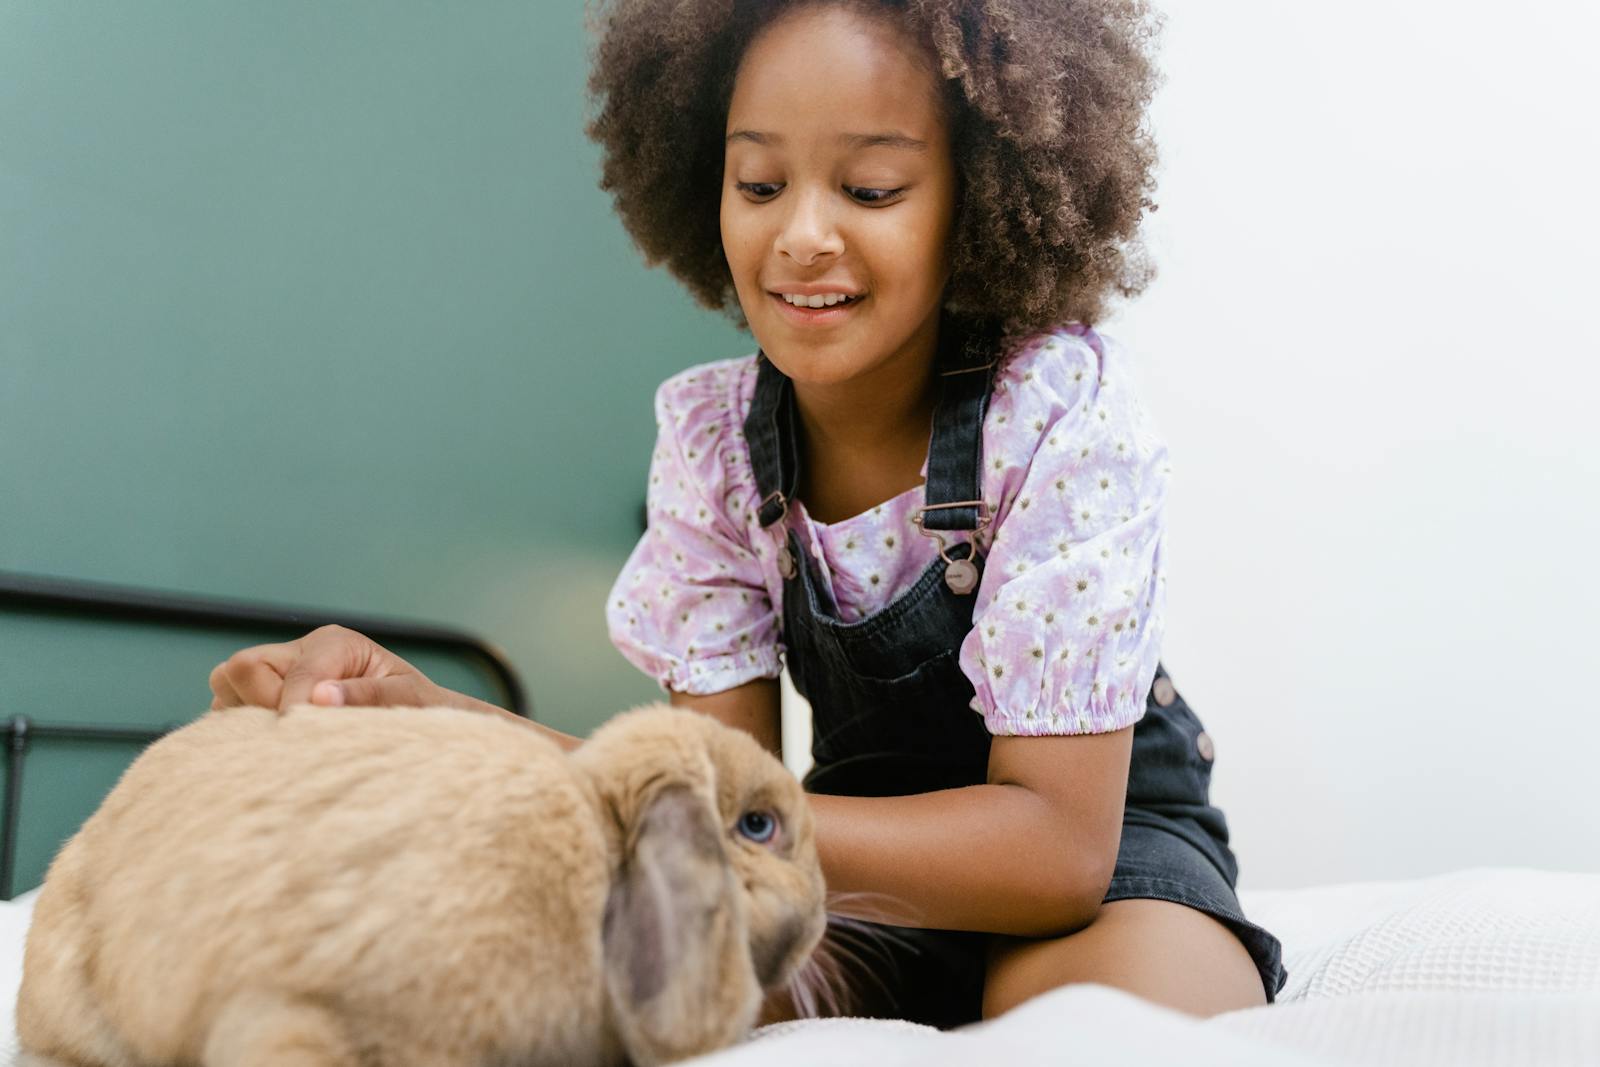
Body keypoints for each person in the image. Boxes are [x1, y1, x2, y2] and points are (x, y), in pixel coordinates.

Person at [210, 0, 1285, 1028]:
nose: (801, 235)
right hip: (842, 870)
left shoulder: (1054, 409)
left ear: (980, 195)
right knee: (583, 987)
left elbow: (1051, 853)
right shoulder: (716, 443)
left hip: (1099, 864)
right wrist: (433, 717)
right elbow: (701, 802)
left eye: (870, 188)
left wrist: (713, 814)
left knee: (1104, 1032)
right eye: (759, 182)